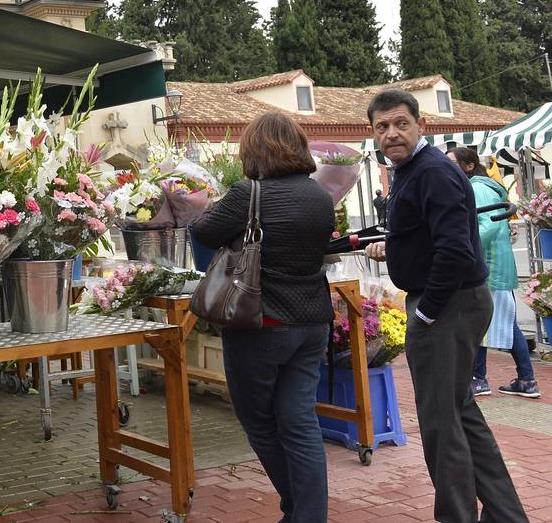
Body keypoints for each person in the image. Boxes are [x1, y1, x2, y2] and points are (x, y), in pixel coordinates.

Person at [364, 90, 528, 523]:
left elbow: (455, 251)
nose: (392, 133)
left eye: (400, 123)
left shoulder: (432, 171)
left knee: (440, 424)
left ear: (422, 126)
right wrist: (394, 247)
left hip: (447, 305)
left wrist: (427, 312)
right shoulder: (411, 170)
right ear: (373, 133)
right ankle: (507, 515)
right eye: (382, 127)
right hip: (452, 301)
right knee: (460, 413)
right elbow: (433, 234)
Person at [193, 112, 336, 523]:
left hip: (261, 322)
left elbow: (204, 232)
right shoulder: (320, 196)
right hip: (311, 324)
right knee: (300, 423)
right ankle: (308, 515)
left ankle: (297, 508)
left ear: (254, 149)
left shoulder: (247, 192)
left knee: (258, 422)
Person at [446, 147, 541, 399]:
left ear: (468, 166)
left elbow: (487, 226)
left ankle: (481, 379)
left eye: (451, 163)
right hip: (493, 267)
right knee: (500, 325)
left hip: (490, 268)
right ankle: (525, 379)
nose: (446, 169)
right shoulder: (480, 187)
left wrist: (461, 248)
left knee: (481, 324)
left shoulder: (477, 189)